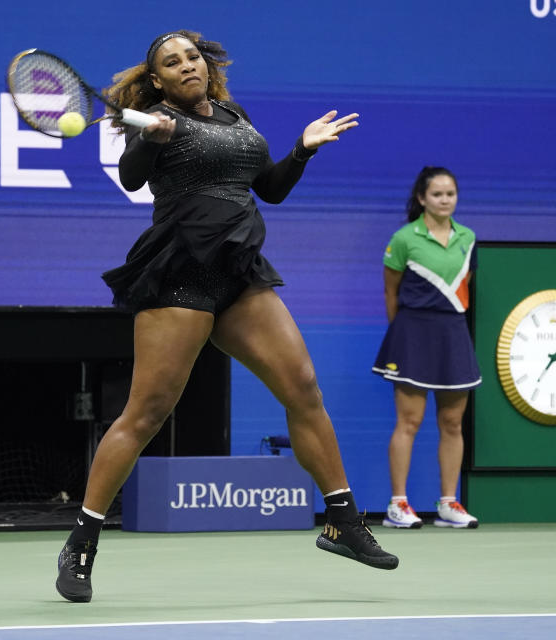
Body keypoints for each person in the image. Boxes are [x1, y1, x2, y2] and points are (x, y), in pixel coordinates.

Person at [55, 30, 398, 603]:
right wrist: (151, 138)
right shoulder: (157, 120)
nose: (186, 65)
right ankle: (81, 542)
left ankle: (342, 522)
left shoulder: (233, 115)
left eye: (192, 56)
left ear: (205, 64)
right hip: (180, 274)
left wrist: (302, 150)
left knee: (304, 388)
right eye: (172, 62)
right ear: (158, 79)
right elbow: (134, 177)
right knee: (146, 413)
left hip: (238, 275)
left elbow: (271, 189)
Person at [372, 166, 481, 530]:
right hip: (413, 333)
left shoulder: (468, 237)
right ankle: (397, 505)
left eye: (450, 194)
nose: (445, 200)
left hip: (453, 333)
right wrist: (401, 335)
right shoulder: (404, 238)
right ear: (422, 198)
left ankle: (449, 504)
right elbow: (391, 291)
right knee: (410, 421)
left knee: (452, 422)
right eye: (437, 194)